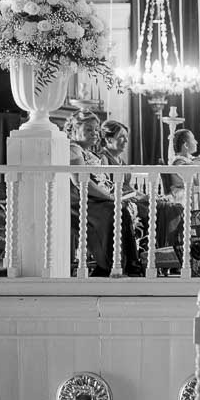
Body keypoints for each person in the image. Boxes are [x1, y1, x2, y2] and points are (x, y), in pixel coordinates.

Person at [66, 111, 141, 277]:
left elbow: (102, 181)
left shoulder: (88, 152)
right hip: (80, 200)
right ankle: (109, 264)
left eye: (96, 129)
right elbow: (81, 181)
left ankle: (130, 264)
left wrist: (115, 195)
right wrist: (110, 197)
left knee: (123, 211)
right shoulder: (73, 149)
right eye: (88, 130)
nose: (94, 133)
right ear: (74, 130)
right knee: (114, 211)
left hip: (93, 198)